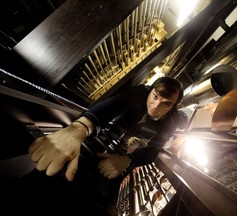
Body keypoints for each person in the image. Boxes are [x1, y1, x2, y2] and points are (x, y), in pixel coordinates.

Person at [2, 76, 184, 215]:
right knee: (38, 185)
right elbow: (112, 106)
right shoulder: (139, 93)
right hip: (95, 144)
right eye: (155, 96)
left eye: (166, 104)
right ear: (151, 90)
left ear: (174, 106)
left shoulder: (171, 121)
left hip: (118, 162)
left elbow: (152, 152)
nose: (156, 106)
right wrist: (78, 129)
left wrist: (127, 160)